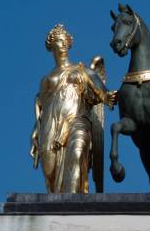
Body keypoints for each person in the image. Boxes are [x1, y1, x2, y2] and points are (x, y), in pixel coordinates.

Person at [30, 24, 116, 193]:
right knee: (50, 170)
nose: (62, 44)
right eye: (58, 41)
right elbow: (42, 109)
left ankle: (73, 202)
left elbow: (99, 88)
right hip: (50, 127)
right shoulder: (46, 79)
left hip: (78, 121)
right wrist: (35, 133)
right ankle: (57, 206)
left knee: (77, 154)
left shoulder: (81, 70)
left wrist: (107, 96)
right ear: (51, 46)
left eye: (64, 41)